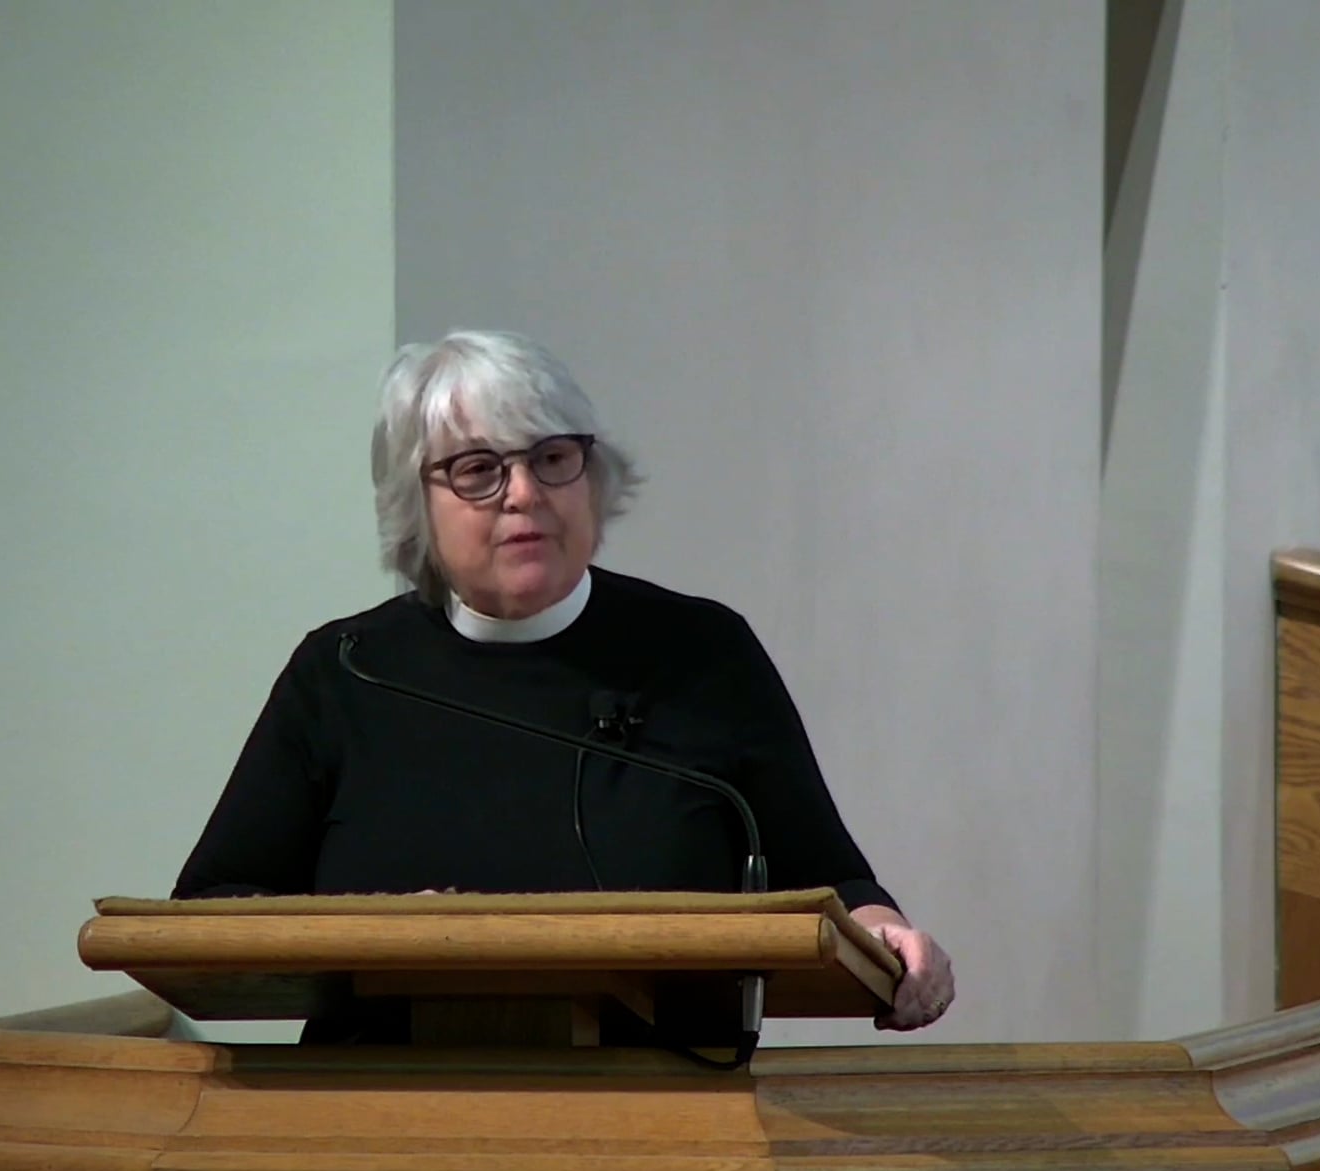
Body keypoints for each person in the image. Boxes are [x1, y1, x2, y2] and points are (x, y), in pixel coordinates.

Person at [171, 331, 957, 1042]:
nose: (523, 492)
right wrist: (369, 933)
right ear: (417, 503)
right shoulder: (346, 669)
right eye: (478, 469)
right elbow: (212, 908)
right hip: (379, 1112)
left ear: (592, 477)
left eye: (550, 458)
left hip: (667, 1115)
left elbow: (828, 877)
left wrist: (886, 931)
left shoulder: (702, 653)